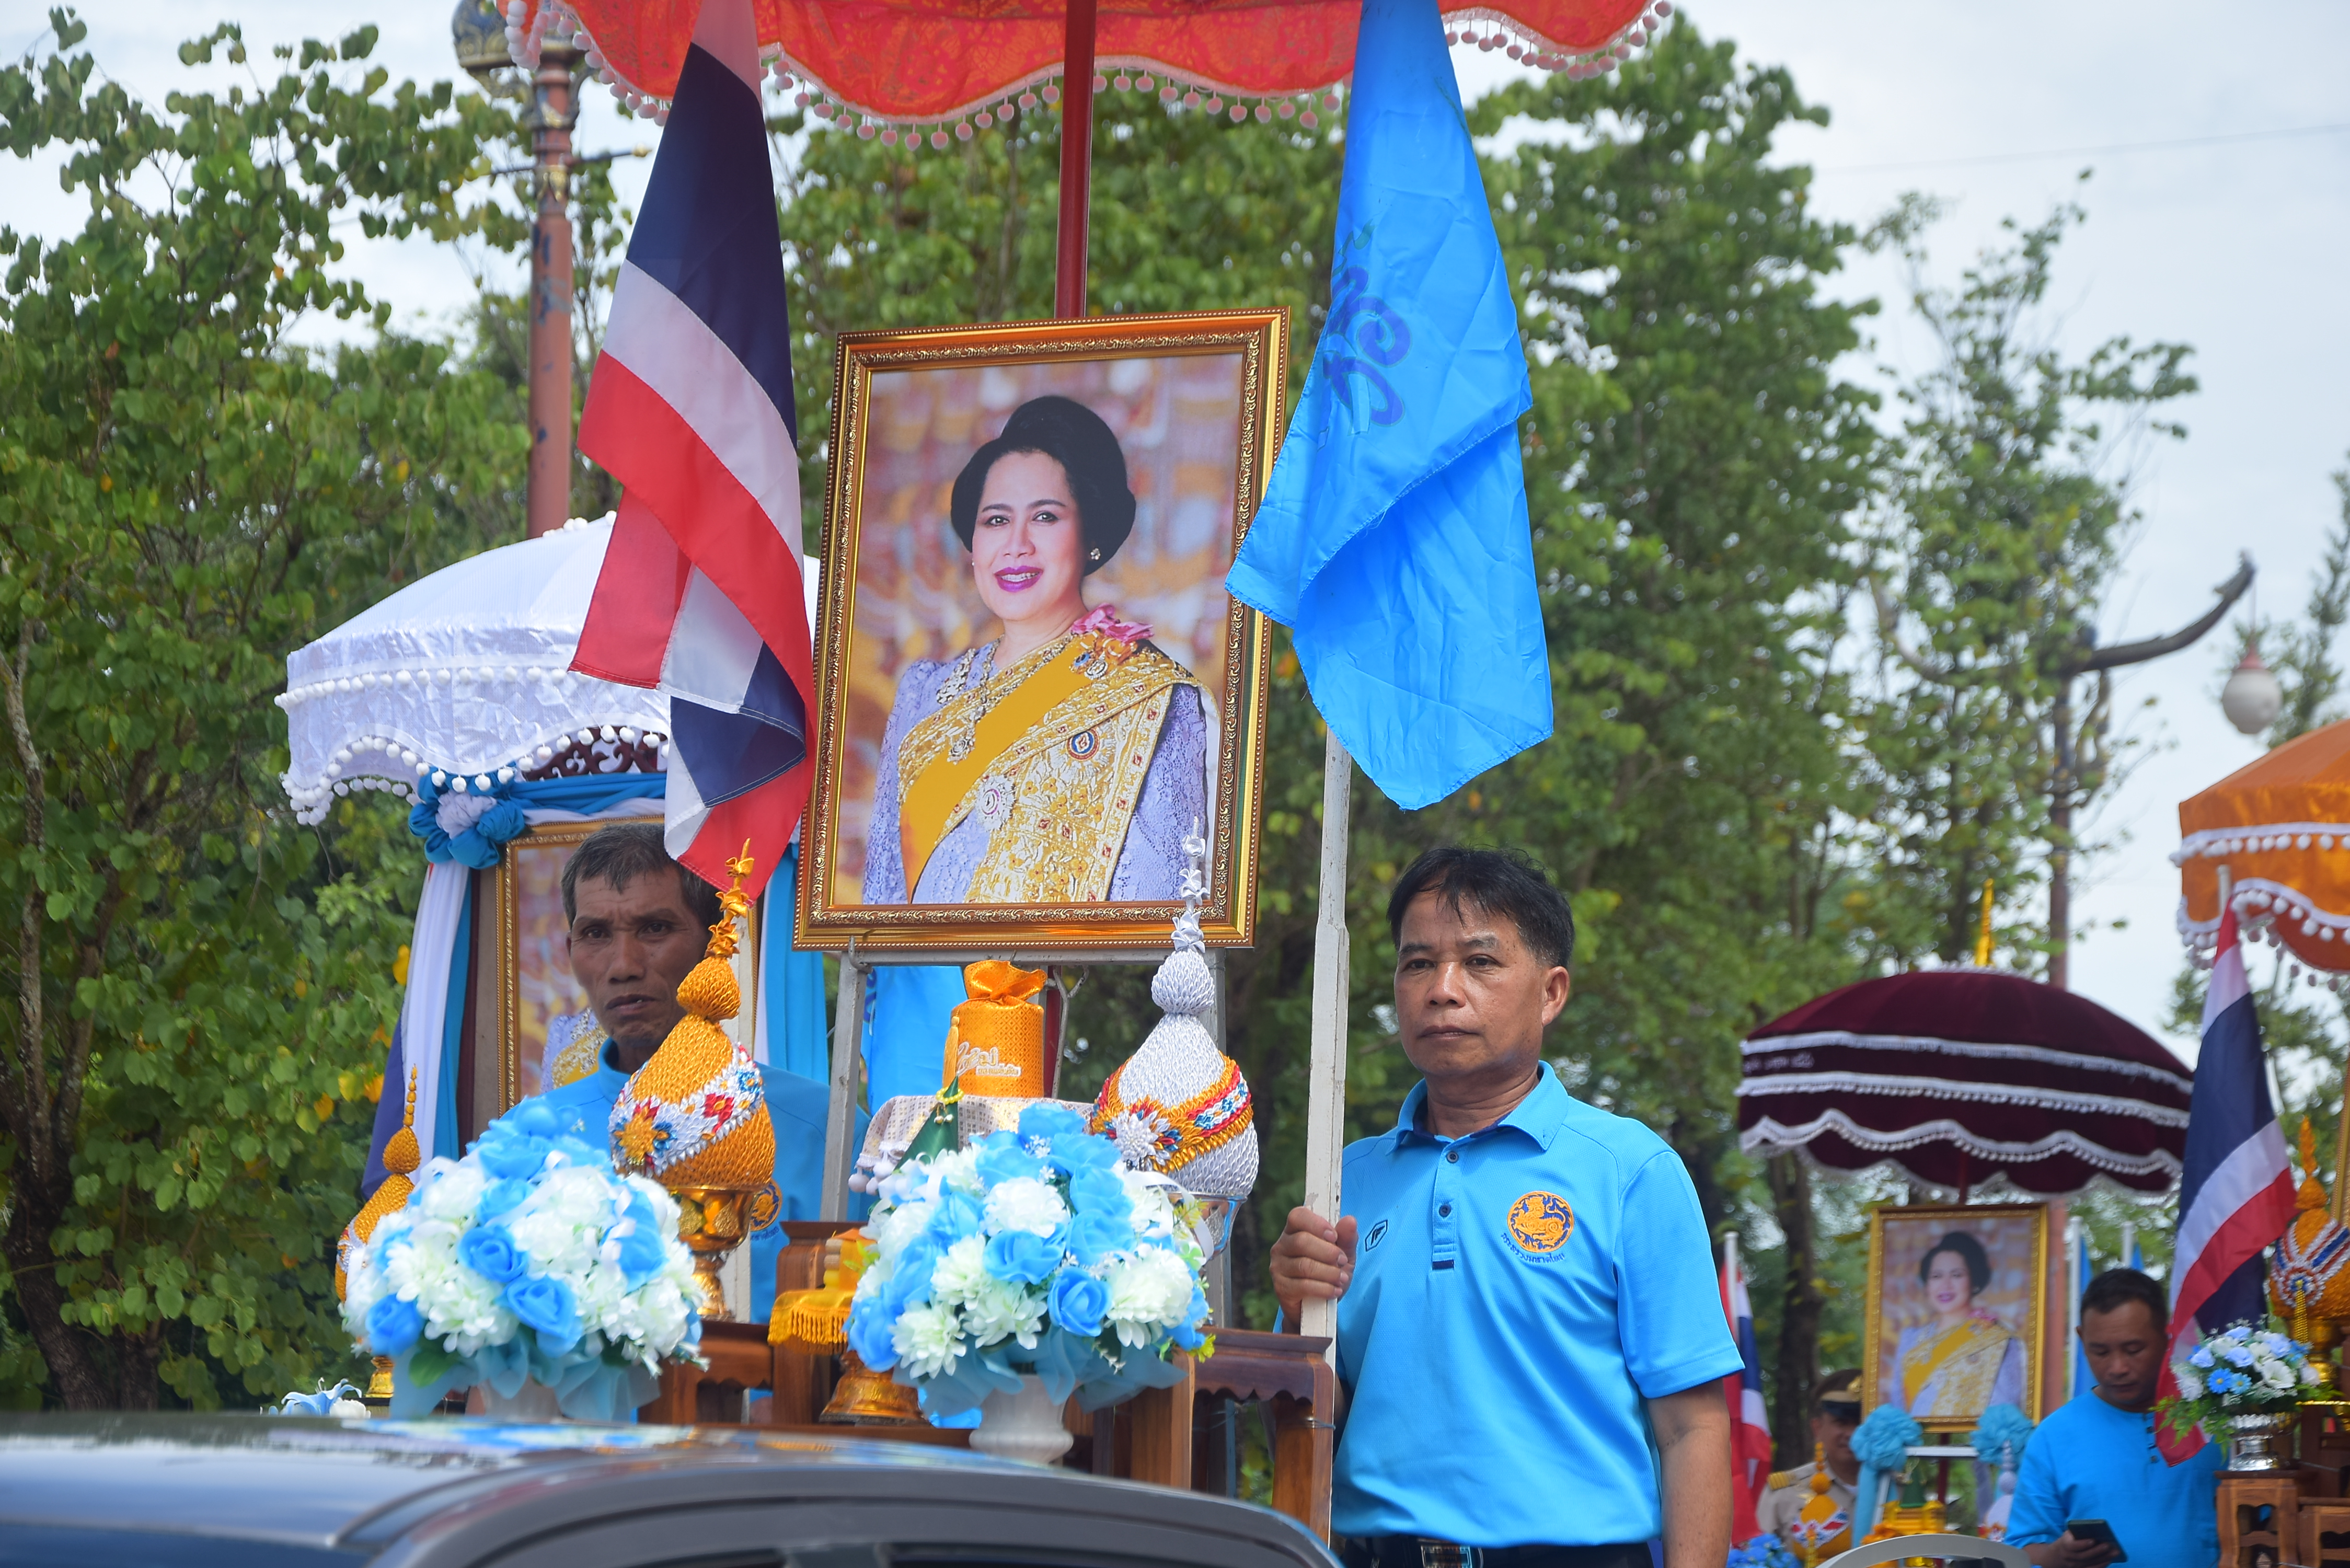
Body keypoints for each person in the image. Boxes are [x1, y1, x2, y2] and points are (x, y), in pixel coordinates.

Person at [1271, 846, 1740, 1568]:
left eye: (1481, 962)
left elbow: (1693, 1428)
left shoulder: (1629, 1169)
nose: (1443, 990)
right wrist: (1296, 1308)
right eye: (1417, 963)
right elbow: (1303, 1418)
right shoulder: (1342, 1181)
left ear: (1551, 992)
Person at [862, 395, 1207, 906]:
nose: (1016, 544)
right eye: (996, 521)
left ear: (1087, 533)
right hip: (923, 985)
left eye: (1045, 517)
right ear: (973, 545)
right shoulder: (923, 692)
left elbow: (1167, 904)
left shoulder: (1147, 696)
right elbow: (883, 900)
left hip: (1069, 984)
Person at [534, 822, 836, 1320]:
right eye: (596, 934)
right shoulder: (531, 1139)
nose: (624, 965)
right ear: (570, 953)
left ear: (711, 942)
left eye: (655, 928)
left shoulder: (818, 1126)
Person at [2007, 1268, 2221, 1568]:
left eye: (2134, 1350)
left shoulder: (2215, 1420)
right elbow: (2021, 1550)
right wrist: (2056, 1556)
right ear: (2082, 1339)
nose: (2118, 1367)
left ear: (2167, 1336)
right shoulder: (2054, 1436)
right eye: (2100, 1352)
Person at [1892, 1230, 2026, 1419]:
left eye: (1956, 1275)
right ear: (1927, 1285)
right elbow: (1898, 1409)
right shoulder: (1910, 1340)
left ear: (1974, 1281)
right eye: (1937, 1276)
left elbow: (2005, 1412)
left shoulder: (1998, 1341)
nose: (1946, 1285)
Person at [1757, 1370, 1862, 1555]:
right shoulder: (1785, 1492)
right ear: (1817, 1428)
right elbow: (1758, 1559)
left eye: (1860, 1423)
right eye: (1842, 1423)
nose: (1852, 1434)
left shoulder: (1897, 1489)